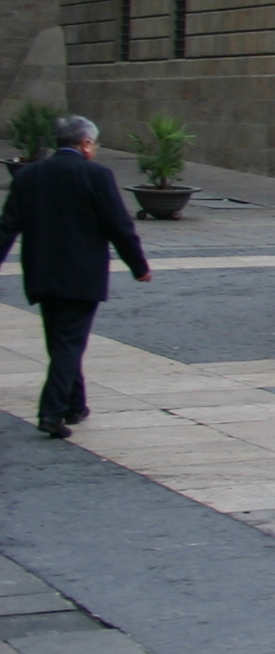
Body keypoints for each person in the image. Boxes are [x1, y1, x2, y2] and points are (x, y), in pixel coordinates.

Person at [0, 115, 152, 436]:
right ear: (85, 144)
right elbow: (118, 226)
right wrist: (138, 266)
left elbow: (7, 227)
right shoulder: (96, 175)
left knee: (62, 340)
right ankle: (51, 412)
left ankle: (75, 404)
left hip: (41, 273)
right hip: (82, 276)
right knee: (69, 344)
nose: (94, 149)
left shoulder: (28, 176)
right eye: (94, 144)